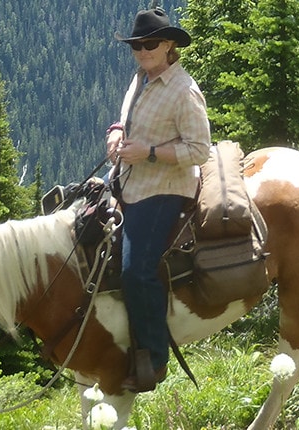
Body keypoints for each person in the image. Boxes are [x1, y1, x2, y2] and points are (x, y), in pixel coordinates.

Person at [106, 7, 211, 393]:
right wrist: (117, 132)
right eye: (136, 45)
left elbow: (200, 149)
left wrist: (148, 152)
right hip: (128, 176)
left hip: (165, 188)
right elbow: (126, 116)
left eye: (149, 44)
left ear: (169, 45)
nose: (142, 51)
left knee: (137, 269)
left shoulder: (184, 91)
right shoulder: (141, 78)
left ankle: (153, 357)